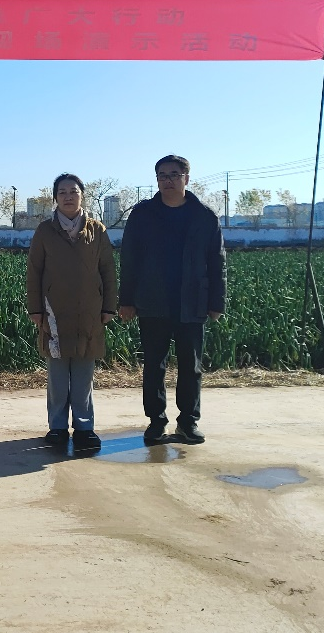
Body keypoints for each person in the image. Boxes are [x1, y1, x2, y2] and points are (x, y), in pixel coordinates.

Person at [118, 154, 226, 445]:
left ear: (186, 178)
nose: (168, 181)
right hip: (152, 301)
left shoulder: (204, 216)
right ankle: (156, 421)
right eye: (162, 176)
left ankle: (188, 422)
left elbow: (217, 263)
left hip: (192, 301)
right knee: (154, 365)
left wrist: (216, 303)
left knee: (191, 366)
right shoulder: (143, 214)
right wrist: (126, 300)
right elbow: (129, 259)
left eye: (174, 175)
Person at [26, 174, 117, 452]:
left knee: (83, 372)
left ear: (82, 196)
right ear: (55, 197)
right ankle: (57, 427)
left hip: (89, 311)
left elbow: (108, 270)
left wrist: (109, 306)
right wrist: (36, 309)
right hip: (53, 312)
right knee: (57, 373)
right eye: (62, 192)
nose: (68, 196)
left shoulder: (97, 230)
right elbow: (34, 272)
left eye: (73, 191)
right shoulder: (45, 231)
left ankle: (84, 427)